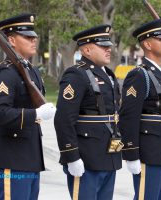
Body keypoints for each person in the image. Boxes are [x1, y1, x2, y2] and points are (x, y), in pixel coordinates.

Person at [0, 13, 56, 200]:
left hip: (29, 158)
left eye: (34, 36)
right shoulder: (6, 73)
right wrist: (35, 114)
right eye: (27, 36)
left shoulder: (30, 70)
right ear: (11, 40)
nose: (34, 39)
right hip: (12, 159)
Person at [54, 24, 122, 200]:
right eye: (103, 46)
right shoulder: (76, 75)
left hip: (108, 156)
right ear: (87, 50)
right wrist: (71, 156)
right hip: (86, 158)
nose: (108, 49)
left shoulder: (107, 74)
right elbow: (63, 119)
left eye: (109, 45)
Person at [119, 19, 161, 200]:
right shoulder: (139, 75)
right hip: (150, 152)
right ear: (147, 44)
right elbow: (128, 117)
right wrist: (131, 154)